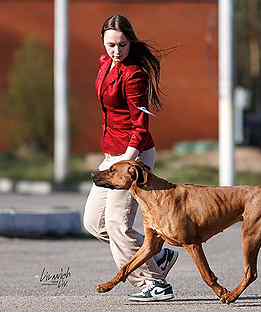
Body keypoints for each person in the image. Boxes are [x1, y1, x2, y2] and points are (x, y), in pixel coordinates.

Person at [83, 15, 178, 302]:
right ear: (102, 41)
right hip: (112, 156)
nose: (116, 50)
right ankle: (158, 256)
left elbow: (140, 125)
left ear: (130, 42)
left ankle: (153, 284)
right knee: (94, 222)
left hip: (132, 159)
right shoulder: (105, 65)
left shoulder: (134, 75)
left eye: (122, 45)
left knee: (117, 224)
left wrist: (127, 161)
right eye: (111, 44)